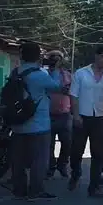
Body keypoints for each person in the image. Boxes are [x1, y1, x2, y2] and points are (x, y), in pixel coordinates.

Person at [9, 42, 62, 200]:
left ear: (21, 56)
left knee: (18, 160)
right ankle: (36, 190)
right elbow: (56, 86)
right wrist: (55, 69)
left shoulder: (15, 72)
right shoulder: (40, 75)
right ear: (38, 56)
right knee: (39, 160)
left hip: (18, 123)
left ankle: (19, 189)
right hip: (39, 124)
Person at [69, 45, 103, 197]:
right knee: (76, 151)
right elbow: (73, 96)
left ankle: (93, 186)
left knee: (99, 154)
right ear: (96, 56)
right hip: (81, 116)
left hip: (99, 118)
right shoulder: (81, 74)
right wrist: (75, 115)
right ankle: (75, 172)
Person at [44, 50, 72, 179]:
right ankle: (50, 167)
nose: (55, 60)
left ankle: (62, 164)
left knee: (67, 142)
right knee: (48, 144)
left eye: (58, 57)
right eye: (52, 57)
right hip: (47, 114)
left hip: (64, 113)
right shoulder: (44, 74)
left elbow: (71, 90)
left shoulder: (66, 74)